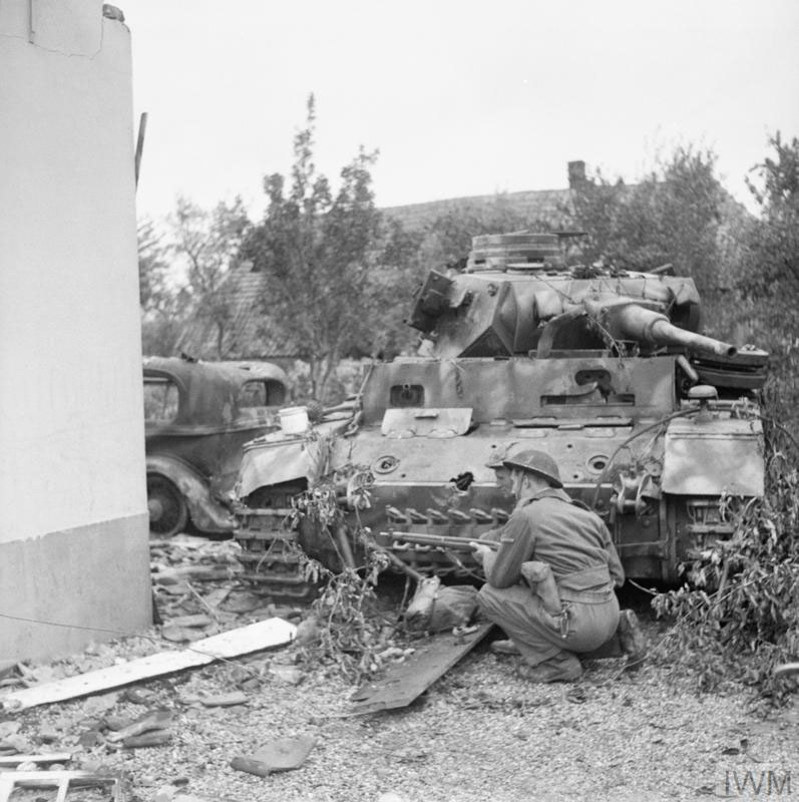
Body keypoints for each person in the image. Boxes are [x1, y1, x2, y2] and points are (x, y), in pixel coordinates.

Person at [471, 449, 630, 683]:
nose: (511, 484)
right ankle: (616, 639)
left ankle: (556, 663)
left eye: (513, 477)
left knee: (489, 595)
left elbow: (499, 579)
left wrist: (486, 555)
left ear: (525, 480)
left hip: (576, 624)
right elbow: (618, 576)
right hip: (609, 615)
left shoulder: (526, 515)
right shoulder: (587, 515)